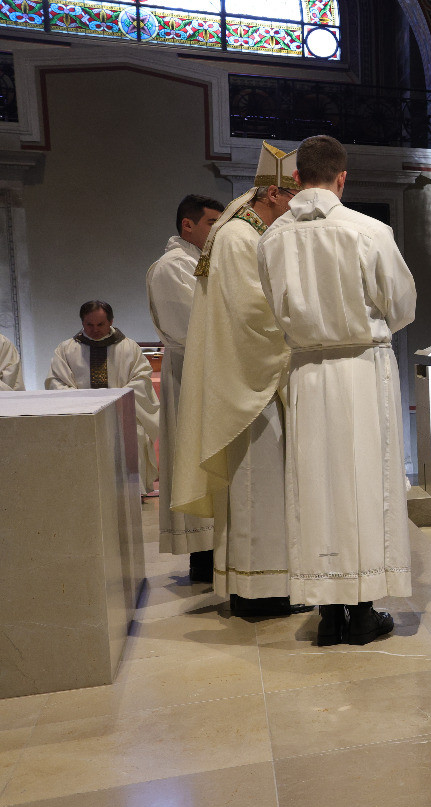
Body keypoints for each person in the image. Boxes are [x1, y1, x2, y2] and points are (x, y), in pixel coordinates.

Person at [257, 134, 415, 646]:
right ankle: (363, 611)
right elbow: (402, 306)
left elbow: (272, 304)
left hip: (306, 371)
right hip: (361, 370)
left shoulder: (272, 237)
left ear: (296, 177)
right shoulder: (367, 231)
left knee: (317, 486)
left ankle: (327, 612)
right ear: (342, 178)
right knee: (364, 484)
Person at [170, 143, 300, 617]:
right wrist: (299, 332)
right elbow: (252, 313)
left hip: (252, 380)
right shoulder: (242, 238)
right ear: (271, 193)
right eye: (291, 198)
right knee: (257, 488)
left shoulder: (242, 231)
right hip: (252, 386)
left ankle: (262, 586)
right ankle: (259, 593)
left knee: (262, 489)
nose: (295, 209)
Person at [146, 193, 223, 574]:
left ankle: (214, 552)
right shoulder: (173, 267)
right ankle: (203, 558)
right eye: (212, 222)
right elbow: (198, 325)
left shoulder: (199, 262)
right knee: (195, 462)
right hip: (191, 373)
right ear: (187, 225)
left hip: (210, 373)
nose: (218, 230)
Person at [48, 300, 160, 491]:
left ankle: (132, 495)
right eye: (89, 325)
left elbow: (142, 378)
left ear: (111, 321)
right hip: (82, 417)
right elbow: (56, 382)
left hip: (122, 415)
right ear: (82, 323)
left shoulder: (129, 348)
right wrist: (85, 402)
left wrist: (116, 398)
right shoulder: (66, 350)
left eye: (100, 324)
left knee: (135, 438)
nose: (95, 330)